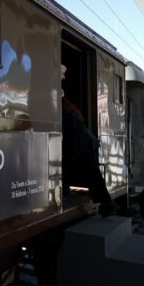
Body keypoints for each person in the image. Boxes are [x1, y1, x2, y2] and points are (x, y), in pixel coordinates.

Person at [60, 64, 117, 216]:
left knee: (87, 170)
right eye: (63, 73)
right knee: (92, 171)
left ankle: (106, 202)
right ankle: (106, 202)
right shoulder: (67, 103)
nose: (64, 77)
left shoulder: (61, 98)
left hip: (80, 140)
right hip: (84, 140)